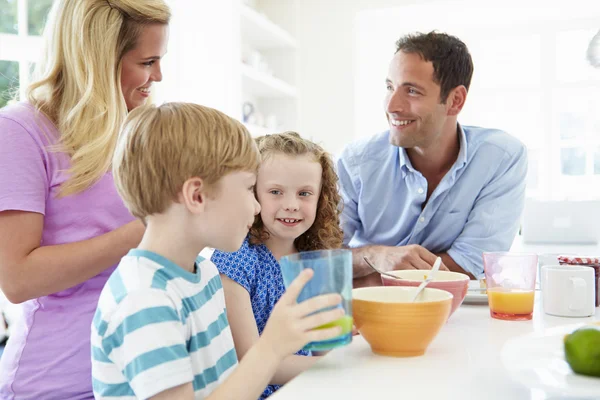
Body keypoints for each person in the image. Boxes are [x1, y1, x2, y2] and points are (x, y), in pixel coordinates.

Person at [91, 103, 344, 400]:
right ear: (197, 196)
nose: (257, 206)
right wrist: (271, 349)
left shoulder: (204, 275)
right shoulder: (144, 301)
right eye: (250, 189)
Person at [0, 0, 170, 398]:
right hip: (60, 383)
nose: (158, 75)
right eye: (147, 61)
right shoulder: (20, 132)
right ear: (97, 61)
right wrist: (142, 232)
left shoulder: (132, 131)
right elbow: (17, 279)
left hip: (142, 376)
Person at [337, 31, 527, 286]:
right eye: (390, 87)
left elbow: (472, 262)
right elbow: (321, 258)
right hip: (368, 311)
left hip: (456, 314)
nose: (392, 106)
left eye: (412, 91)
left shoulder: (501, 158)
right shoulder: (355, 162)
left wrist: (369, 274)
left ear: (455, 100)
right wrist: (376, 256)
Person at [211, 132, 343, 398]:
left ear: (321, 198)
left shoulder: (315, 257)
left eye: (305, 193)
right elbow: (253, 363)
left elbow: (324, 345)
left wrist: (343, 348)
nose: (291, 205)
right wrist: (337, 367)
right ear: (253, 192)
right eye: (275, 192)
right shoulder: (235, 260)